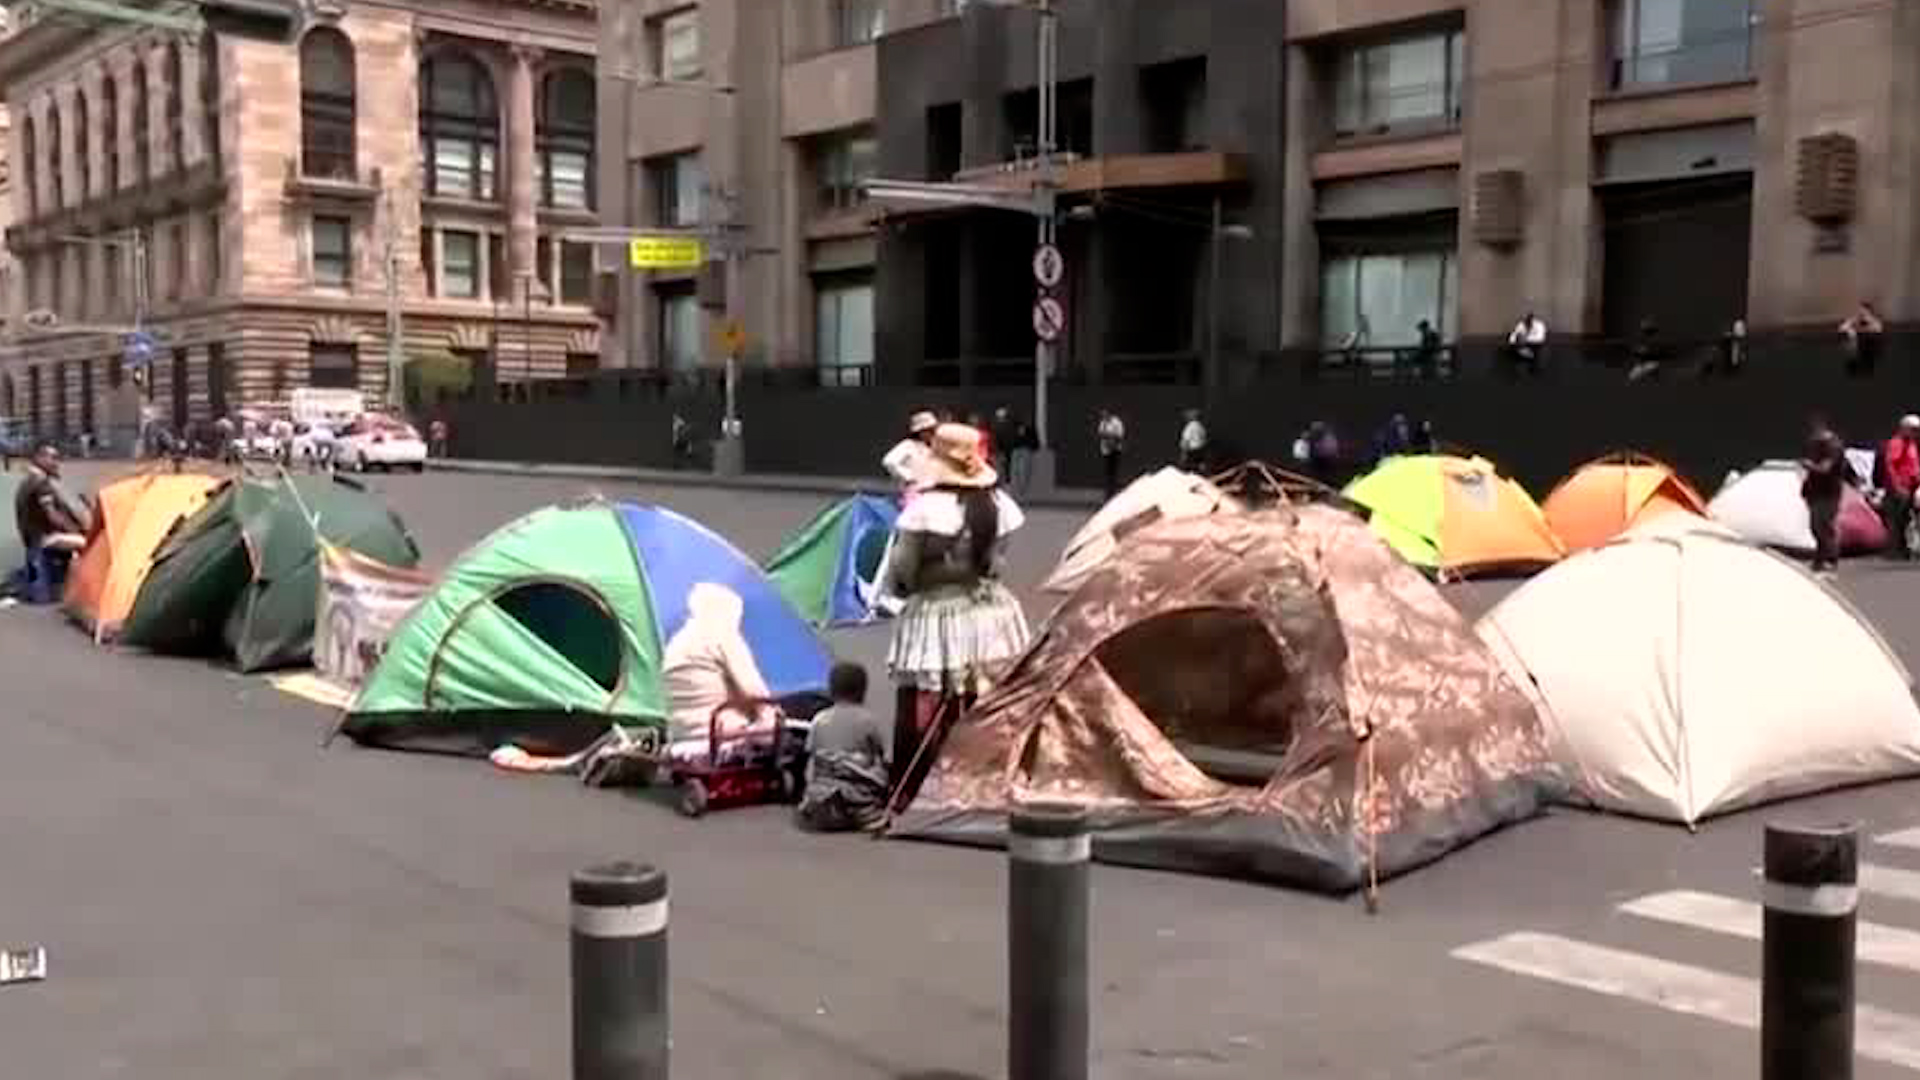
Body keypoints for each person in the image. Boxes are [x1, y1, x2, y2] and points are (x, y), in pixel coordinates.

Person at [882, 423, 1030, 798]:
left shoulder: (925, 511)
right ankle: (985, 778)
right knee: (982, 692)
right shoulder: (998, 505)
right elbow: (998, 563)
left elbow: (904, 571)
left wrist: (931, 573)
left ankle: (923, 786)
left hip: (937, 612)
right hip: (990, 611)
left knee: (932, 698)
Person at [660, 582, 783, 764]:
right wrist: (773, 717)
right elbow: (753, 689)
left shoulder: (676, 643)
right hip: (720, 733)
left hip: (681, 735)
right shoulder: (723, 636)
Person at [795, 662, 891, 833]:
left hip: (823, 790)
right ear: (863, 691)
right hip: (857, 792)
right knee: (876, 770)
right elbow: (885, 755)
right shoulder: (868, 721)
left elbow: (811, 754)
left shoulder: (819, 719)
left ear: (831, 690)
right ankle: (862, 815)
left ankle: (818, 808)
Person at [11, 442, 86, 604]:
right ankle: (82, 589)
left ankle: (56, 580)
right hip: (43, 538)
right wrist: (76, 530)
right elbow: (53, 515)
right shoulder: (40, 483)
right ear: (39, 458)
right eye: (52, 458)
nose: (56, 462)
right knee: (87, 543)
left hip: (32, 539)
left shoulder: (29, 480)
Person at [1802, 417, 1848, 577]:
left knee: (1825, 526)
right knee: (1816, 526)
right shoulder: (1815, 445)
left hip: (1829, 492)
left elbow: (1825, 468)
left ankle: (1831, 561)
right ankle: (1820, 559)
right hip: (1815, 492)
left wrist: (1809, 465)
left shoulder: (1832, 446)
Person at [1884, 415, 1920, 559]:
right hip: (1900, 487)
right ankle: (1895, 550)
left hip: (1910, 486)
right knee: (1897, 519)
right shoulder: (1897, 443)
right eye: (1913, 430)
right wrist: (1897, 486)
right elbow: (1891, 466)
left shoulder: (1911, 444)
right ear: (1904, 428)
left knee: (1906, 519)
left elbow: (1913, 465)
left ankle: (1903, 548)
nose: (1916, 433)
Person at [881, 410, 939, 496]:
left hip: (933, 492)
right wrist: (909, 477)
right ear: (919, 432)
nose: (932, 434)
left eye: (933, 430)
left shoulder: (935, 448)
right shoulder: (908, 445)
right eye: (928, 431)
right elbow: (889, 462)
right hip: (915, 493)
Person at [1842, 301, 1885, 376]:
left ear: (1870, 312)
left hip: (1870, 346)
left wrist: (1863, 328)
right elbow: (1843, 328)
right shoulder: (1855, 320)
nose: (1862, 314)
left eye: (1865, 312)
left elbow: (1878, 328)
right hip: (1858, 346)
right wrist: (1852, 328)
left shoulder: (1875, 321)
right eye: (1860, 311)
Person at [1096, 408, 1127, 500]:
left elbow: (1120, 435)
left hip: (1115, 450)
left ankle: (1114, 492)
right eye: (1102, 415)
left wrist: (1111, 437)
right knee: (1107, 473)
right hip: (1106, 450)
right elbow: (1100, 433)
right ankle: (1108, 493)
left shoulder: (1116, 422)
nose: (1103, 416)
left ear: (1109, 414)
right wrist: (1105, 436)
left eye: (1105, 414)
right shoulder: (1103, 423)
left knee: (1114, 472)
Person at [1508, 310, 1548, 376]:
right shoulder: (1521, 324)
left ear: (1533, 320)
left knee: (1539, 353)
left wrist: (1525, 339)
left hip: (1536, 344)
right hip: (1523, 343)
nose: (1527, 323)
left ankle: (1533, 363)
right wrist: (1512, 341)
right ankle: (1525, 356)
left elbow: (1540, 338)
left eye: (1530, 321)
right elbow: (1514, 334)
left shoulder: (1540, 325)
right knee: (1514, 347)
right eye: (1526, 321)